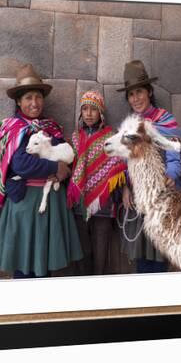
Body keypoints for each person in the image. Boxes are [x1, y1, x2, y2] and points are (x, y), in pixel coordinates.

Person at [0, 63, 83, 278]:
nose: (34, 103)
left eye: (38, 97)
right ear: (18, 101)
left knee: (44, 264)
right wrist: (55, 167)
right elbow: (20, 164)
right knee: (24, 265)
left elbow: (65, 154)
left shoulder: (51, 128)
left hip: (50, 204)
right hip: (24, 203)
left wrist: (66, 168)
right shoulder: (12, 129)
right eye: (28, 98)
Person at [116, 60, 181, 273]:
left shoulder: (165, 121)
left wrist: (170, 176)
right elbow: (127, 163)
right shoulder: (130, 126)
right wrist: (126, 187)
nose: (135, 98)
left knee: (158, 258)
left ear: (149, 92)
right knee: (142, 257)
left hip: (162, 198)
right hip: (140, 201)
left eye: (139, 92)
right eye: (131, 94)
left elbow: (175, 156)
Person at [66, 90, 127, 275]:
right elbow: (71, 165)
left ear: (101, 112)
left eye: (93, 109)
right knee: (82, 253)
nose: (89, 114)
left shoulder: (112, 137)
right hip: (79, 204)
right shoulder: (75, 137)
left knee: (101, 254)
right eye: (85, 109)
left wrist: (123, 191)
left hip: (103, 204)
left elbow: (119, 167)